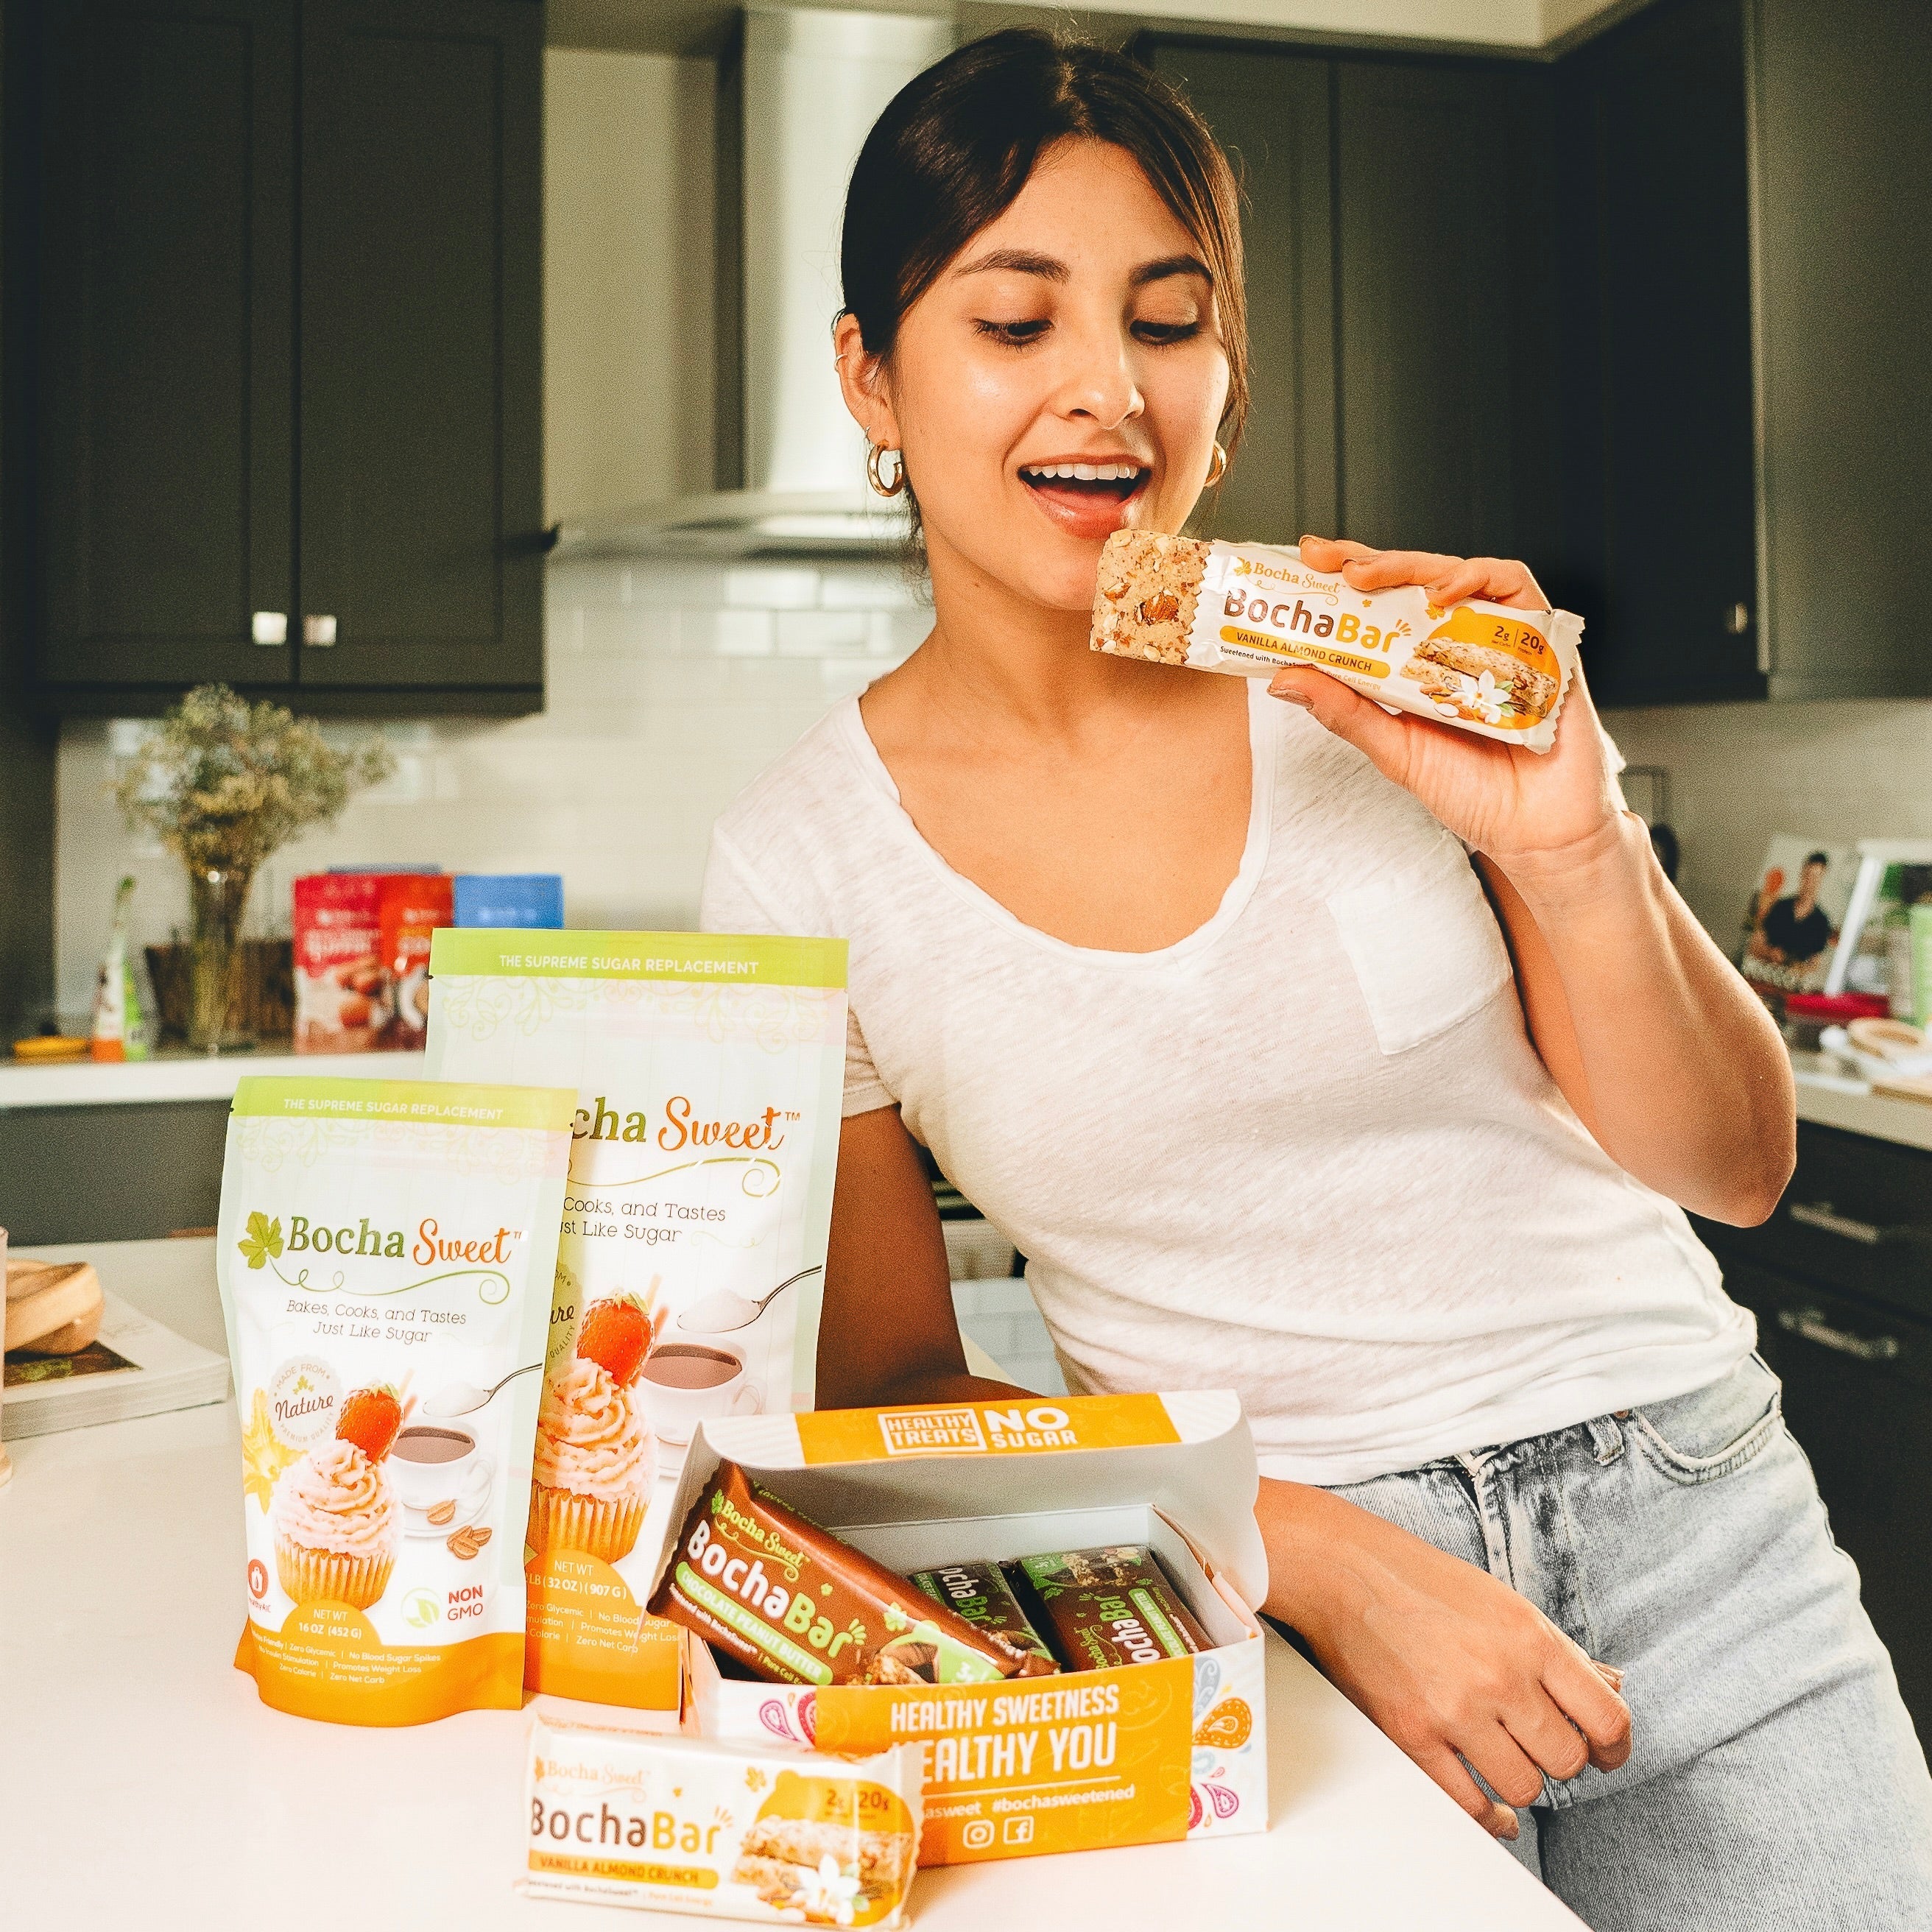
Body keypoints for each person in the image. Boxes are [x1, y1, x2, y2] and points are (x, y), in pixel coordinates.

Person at [699, 29, 1932, 1928]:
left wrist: (1567, 840)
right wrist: (1309, 1554)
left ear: (1226, 370)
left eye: (1166, 321)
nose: (1106, 389)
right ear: (870, 373)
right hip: (1258, 1613)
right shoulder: (797, 859)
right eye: (1011, 321)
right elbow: (894, 1392)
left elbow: (1733, 1166)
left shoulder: (1382, 677)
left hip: (1696, 1523)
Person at [1752, 850, 1835, 967]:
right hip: (1766, 974)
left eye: (1816, 877)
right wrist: (1769, 953)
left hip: (1792, 982)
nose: (1810, 883)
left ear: (1822, 879)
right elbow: (1756, 943)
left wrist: (1798, 967)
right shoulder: (1780, 907)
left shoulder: (1822, 921)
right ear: (1802, 874)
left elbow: (1815, 964)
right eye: (1808, 875)